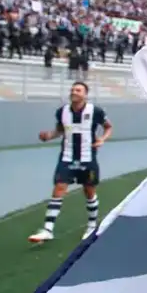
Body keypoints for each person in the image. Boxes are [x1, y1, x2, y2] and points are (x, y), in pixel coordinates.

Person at [29, 81, 112, 243]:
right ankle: (47, 229)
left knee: (89, 192)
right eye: (73, 89)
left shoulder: (96, 111)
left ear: (85, 94)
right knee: (59, 189)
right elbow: (60, 130)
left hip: (87, 158)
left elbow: (108, 127)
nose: (74, 92)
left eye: (78, 90)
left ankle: (91, 225)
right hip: (67, 157)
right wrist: (48, 136)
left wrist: (102, 139)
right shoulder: (62, 111)